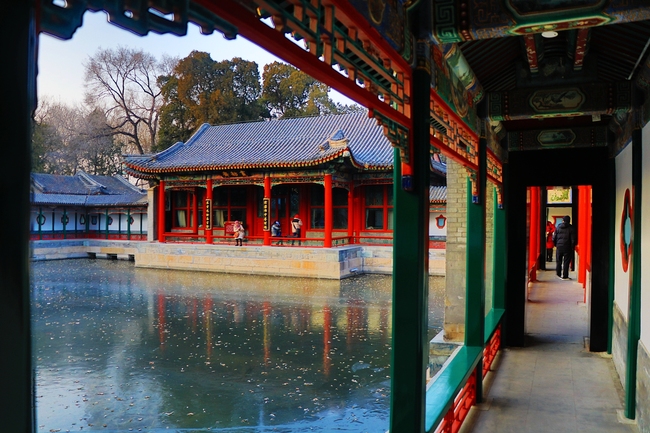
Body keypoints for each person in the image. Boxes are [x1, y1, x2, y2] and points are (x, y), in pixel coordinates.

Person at [553, 215, 576, 280]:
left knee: (558, 261)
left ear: (563, 221)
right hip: (567, 247)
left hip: (559, 246)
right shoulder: (571, 228)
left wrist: (556, 244)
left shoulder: (558, 227)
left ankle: (558, 274)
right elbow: (573, 239)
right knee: (566, 262)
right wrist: (572, 247)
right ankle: (565, 275)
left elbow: (554, 237)